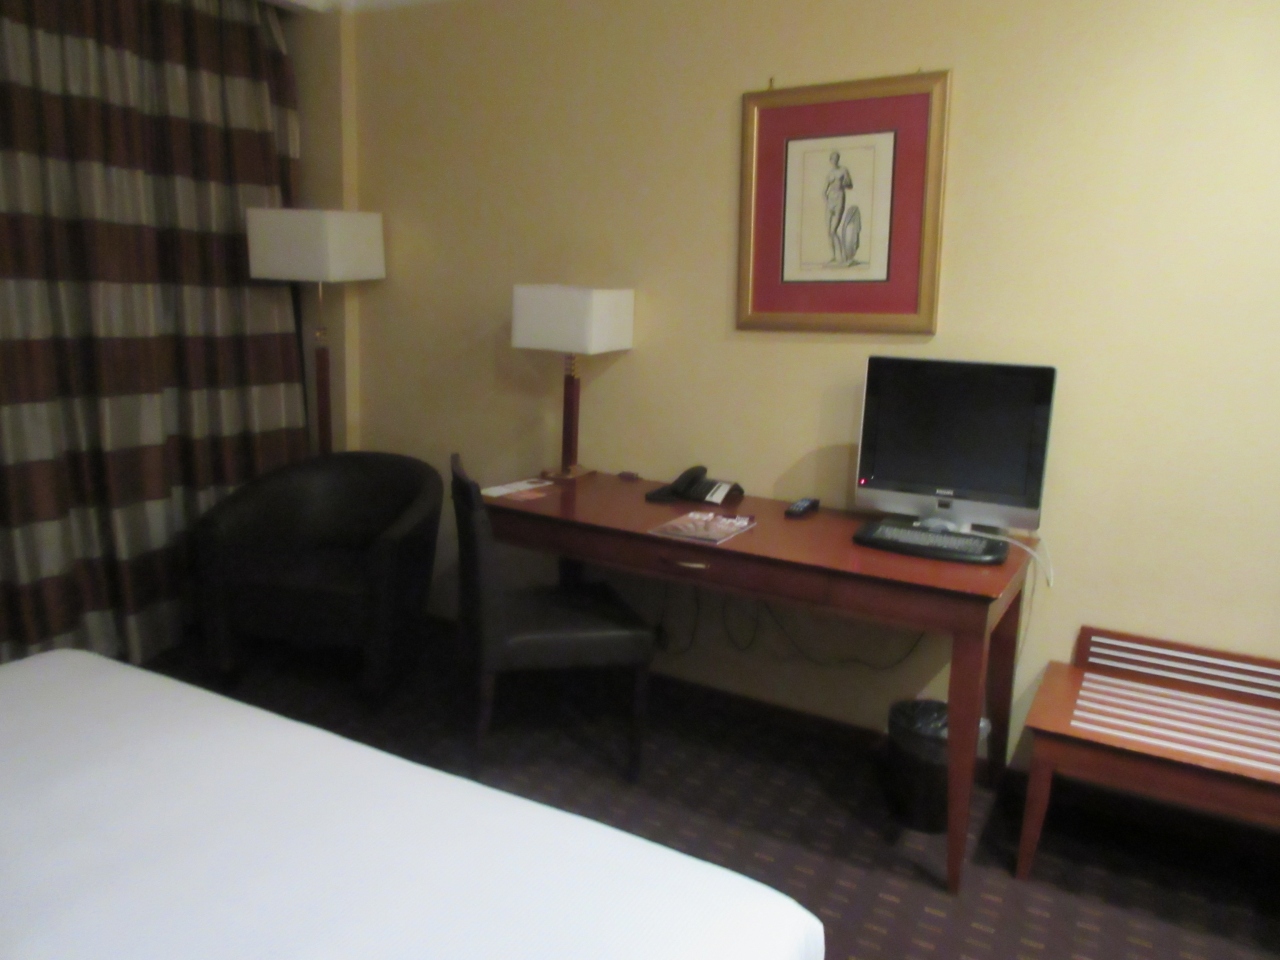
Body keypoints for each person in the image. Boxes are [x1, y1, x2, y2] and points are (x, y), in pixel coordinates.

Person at [824, 151, 853, 264]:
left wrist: (844, 183)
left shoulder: (843, 170)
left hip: (840, 198)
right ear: (830, 160)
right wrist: (827, 202)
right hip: (830, 200)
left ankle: (842, 255)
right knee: (828, 231)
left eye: (836, 158)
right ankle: (833, 256)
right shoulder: (829, 174)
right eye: (833, 158)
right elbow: (824, 191)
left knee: (833, 230)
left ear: (838, 159)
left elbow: (850, 185)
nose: (835, 160)